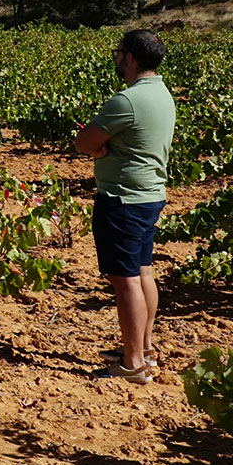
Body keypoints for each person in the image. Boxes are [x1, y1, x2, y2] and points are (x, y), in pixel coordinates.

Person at [74, 29, 176, 384]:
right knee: (143, 271)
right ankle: (144, 349)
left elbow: (84, 141)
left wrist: (98, 148)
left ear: (131, 57)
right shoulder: (162, 93)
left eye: (119, 52)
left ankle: (132, 363)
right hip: (150, 195)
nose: (116, 57)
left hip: (122, 199)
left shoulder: (127, 101)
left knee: (126, 281)